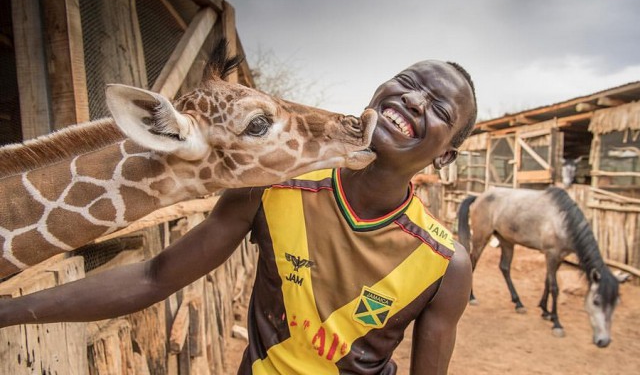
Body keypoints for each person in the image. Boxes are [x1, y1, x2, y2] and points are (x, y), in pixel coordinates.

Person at [0, 59, 477, 374]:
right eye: (410, 83)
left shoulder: (444, 262)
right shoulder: (269, 187)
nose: (415, 100)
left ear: (447, 155)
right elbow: (153, 277)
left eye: (439, 108)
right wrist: (8, 312)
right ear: (380, 91)